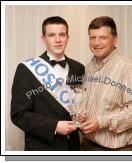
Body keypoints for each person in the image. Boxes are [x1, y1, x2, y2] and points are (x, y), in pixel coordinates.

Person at [11, 16, 85, 151]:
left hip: (73, 147)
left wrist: (82, 115)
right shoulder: (26, 69)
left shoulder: (78, 68)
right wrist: (54, 126)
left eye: (62, 34)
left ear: (68, 37)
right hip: (42, 148)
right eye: (51, 35)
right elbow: (18, 114)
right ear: (44, 39)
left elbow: (76, 104)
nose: (58, 40)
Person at [80, 16, 132, 151]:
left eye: (103, 37)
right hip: (86, 146)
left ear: (115, 39)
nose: (96, 43)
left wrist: (101, 121)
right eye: (93, 37)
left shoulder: (128, 69)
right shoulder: (88, 67)